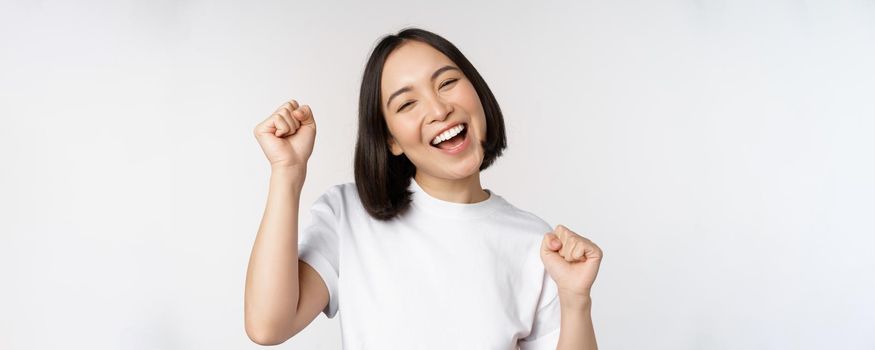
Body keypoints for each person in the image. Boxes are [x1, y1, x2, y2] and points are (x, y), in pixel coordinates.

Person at [244, 27, 603, 349]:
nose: (438, 109)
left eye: (447, 83)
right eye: (407, 103)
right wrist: (287, 173)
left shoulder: (535, 243)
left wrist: (575, 300)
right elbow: (268, 325)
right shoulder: (349, 214)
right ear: (391, 140)